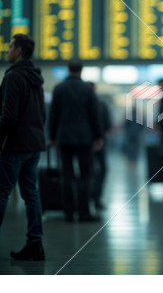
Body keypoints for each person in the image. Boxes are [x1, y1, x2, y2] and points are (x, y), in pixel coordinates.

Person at [0, 34, 46, 260]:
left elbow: (8, 117)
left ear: (18, 51)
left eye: (9, 47)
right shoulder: (36, 79)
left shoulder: (13, 77)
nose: (6, 50)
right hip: (34, 145)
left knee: (1, 191)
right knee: (31, 193)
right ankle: (35, 244)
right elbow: (42, 114)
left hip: (15, 145)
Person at [49, 60, 103, 222]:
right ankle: (84, 212)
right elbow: (95, 115)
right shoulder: (87, 89)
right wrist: (98, 136)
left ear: (68, 70)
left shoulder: (59, 89)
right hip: (84, 138)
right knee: (86, 175)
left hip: (64, 138)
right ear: (81, 71)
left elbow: (53, 115)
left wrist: (52, 136)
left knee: (66, 174)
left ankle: (69, 212)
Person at [88, 82, 112, 210]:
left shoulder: (83, 105)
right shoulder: (101, 104)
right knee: (102, 170)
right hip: (100, 143)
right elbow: (108, 124)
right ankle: (96, 198)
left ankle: (87, 197)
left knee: (87, 170)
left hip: (86, 143)